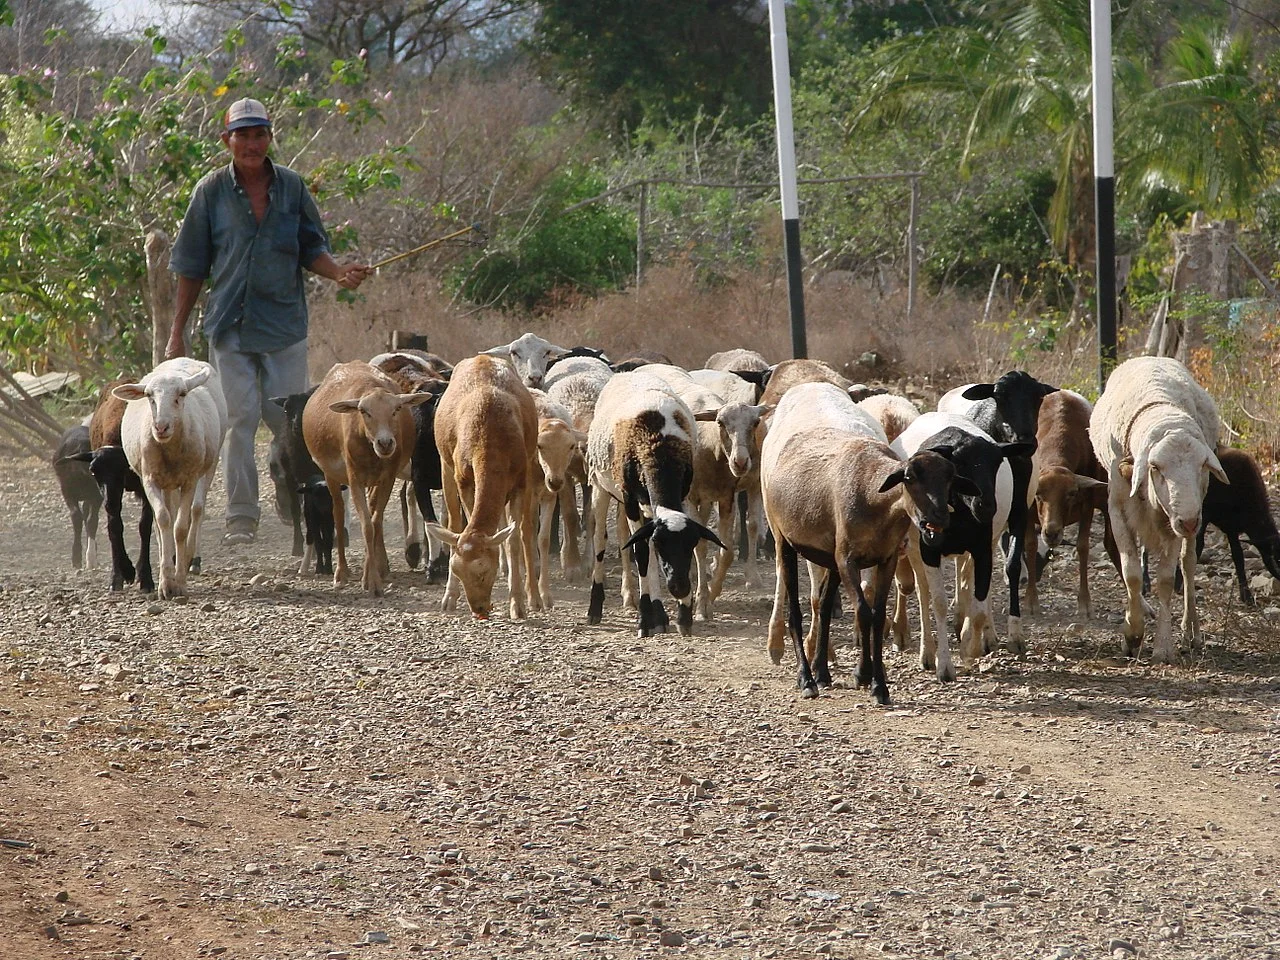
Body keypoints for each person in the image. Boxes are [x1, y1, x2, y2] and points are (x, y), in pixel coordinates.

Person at [166, 97, 372, 545]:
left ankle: (298, 502)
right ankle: (242, 515)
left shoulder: (293, 188)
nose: (252, 143)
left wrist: (338, 272)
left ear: (269, 137)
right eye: (242, 135)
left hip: (282, 325)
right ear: (227, 141)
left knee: (288, 421)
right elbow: (190, 267)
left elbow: (311, 246)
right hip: (228, 325)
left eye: (259, 134)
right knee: (238, 419)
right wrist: (175, 333)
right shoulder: (210, 192)